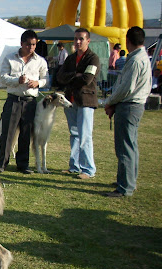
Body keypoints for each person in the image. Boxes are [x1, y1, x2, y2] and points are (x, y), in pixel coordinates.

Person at [104, 26, 152, 197]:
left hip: (129, 106)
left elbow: (126, 88)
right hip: (134, 105)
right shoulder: (142, 58)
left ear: (128, 41)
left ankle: (125, 187)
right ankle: (127, 180)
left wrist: (109, 102)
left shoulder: (135, 60)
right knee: (130, 146)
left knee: (124, 147)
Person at [0, 29, 48, 174]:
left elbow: (46, 78)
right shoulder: (10, 58)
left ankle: (23, 164)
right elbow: (2, 77)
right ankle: (2, 163)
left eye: (34, 45)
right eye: (28, 45)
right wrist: (17, 80)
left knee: (26, 134)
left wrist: (38, 83)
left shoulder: (40, 61)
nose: (31, 48)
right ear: (21, 43)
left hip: (30, 102)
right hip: (14, 100)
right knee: (7, 133)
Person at [57, 27, 100, 179]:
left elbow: (87, 79)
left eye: (81, 38)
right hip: (71, 102)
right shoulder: (70, 58)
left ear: (88, 40)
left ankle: (88, 169)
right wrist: (75, 75)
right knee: (74, 134)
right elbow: (60, 77)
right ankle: (74, 166)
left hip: (86, 101)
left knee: (85, 135)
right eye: (75, 39)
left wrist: (72, 78)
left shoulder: (92, 58)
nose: (77, 41)